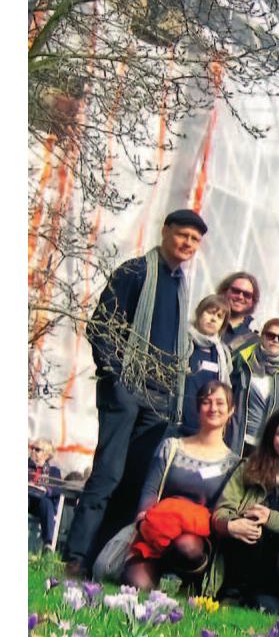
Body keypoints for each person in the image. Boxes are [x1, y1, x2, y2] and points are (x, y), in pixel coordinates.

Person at [64, 207, 206, 573]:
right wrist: (117, 380)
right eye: (182, 235)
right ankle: (76, 558)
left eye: (195, 240)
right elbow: (103, 327)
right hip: (127, 390)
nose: (187, 243)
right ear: (165, 231)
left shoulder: (179, 285)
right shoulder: (136, 271)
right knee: (108, 475)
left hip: (159, 400)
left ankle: (103, 560)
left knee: (132, 483)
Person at [121, 382, 239, 590]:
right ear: (198, 409)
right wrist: (143, 522)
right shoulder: (172, 446)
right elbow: (150, 489)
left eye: (220, 403)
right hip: (156, 530)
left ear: (231, 410)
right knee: (135, 584)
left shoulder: (233, 464)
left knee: (187, 548)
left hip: (195, 537)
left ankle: (186, 581)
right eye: (206, 402)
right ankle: (155, 572)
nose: (213, 408)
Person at [211, 406, 279, 613]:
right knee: (250, 529)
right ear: (271, 437)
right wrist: (234, 525)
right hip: (242, 559)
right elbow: (222, 510)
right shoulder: (248, 468)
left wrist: (270, 518)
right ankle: (232, 595)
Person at [229, 318, 279, 454]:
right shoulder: (242, 361)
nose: (275, 340)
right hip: (235, 441)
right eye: (270, 335)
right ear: (262, 336)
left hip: (268, 448)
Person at [180, 294, 235, 430]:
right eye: (209, 312)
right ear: (199, 313)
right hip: (176, 419)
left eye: (219, 316)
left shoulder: (222, 353)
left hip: (204, 426)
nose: (213, 319)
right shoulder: (181, 341)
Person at [28, 440, 63, 553]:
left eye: (37, 449)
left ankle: (47, 544)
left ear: (46, 454)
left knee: (46, 502)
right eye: (32, 448)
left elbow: (57, 490)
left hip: (40, 504)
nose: (33, 451)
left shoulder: (53, 471)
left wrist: (46, 490)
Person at [215, 271, 262, 350]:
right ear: (224, 291)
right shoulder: (206, 321)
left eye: (247, 295)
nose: (240, 297)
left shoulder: (254, 340)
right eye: (236, 291)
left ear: (253, 301)